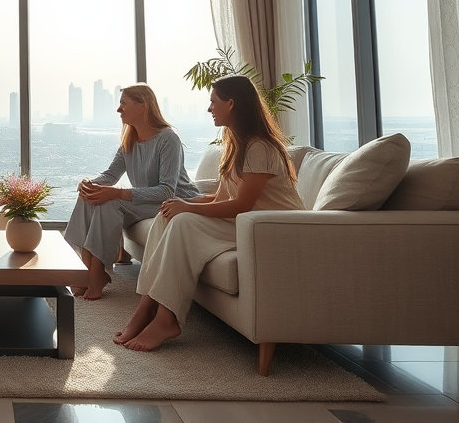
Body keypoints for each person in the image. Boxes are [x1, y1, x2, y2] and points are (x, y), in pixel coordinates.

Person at [114, 74, 305, 352]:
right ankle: (145, 308)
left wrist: (189, 207)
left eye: (213, 102)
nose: (209, 108)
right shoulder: (238, 143)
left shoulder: (260, 147)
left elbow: (242, 205)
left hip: (271, 228)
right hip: (245, 221)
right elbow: (225, 195)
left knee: (183, 223)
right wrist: (183, 202)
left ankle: (166, 319)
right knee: (167, 215)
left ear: (231, 103)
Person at [63, 83, 199, 300]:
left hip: (174, 201)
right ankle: (84, 271)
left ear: (142, 106)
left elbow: (166, 191)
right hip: (145, 202)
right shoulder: (130, 139)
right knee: (89, 196)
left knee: (110, 201)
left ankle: (97, 274)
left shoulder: (168, 139)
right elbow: (110, 176)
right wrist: (89, 183)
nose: (118, 109)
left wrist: (118, 194)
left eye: (123, 104)